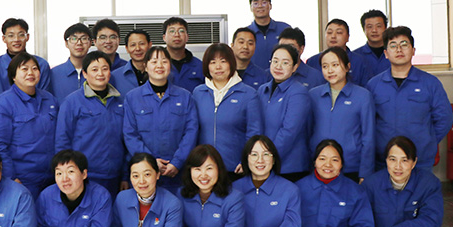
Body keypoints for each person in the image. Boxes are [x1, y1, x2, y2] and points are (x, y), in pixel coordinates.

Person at [366, 26, 452, 171]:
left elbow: (444, 119)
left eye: (404, 45)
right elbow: (368, 122)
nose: (399, 50)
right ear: (386, 53)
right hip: (384, 161)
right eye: (393, 46)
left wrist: (427, 141)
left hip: (420, 160)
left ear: (413, 50)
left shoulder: (430, 83)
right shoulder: (374, 85)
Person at [123, 46, 198, 192]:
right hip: (144, 173)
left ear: (170, 65)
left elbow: (191, 132)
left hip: (178, 172)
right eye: (154, 61)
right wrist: (151, 162)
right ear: (145, 66)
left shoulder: (185, 96)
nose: (159, 66)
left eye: (164, 61)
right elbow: (130, 134)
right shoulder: (133, 98)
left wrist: (177, 162)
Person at [0, 52, 59, 198]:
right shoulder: (3, 104)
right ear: (13, 75)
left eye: (34, 68)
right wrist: (11, 177)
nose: (30, 73)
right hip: (23, 179)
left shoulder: (50, 100)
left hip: (52, 176)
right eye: (24, 69)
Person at [55, 51, 127, 196]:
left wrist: (125, 175)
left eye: (105, 69)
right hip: (85, 176)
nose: (100, 73)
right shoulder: (72, 102)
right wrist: (67, 175)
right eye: (94, 69)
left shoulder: (120, 102)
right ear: (85, 74)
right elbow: (62, 141)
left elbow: (126, 141)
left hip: (115, 176)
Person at [191, 43, 262, 175]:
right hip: (204, 168)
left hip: (235, 167)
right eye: (213, 62)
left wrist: (246, 160)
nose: (218, 66)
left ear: (231, 63)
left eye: (223, 61)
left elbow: (254, 132)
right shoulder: (198, 93)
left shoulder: (248, 94)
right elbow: (192, 129)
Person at [309, 47, 376, 182]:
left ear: (347, 67)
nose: (330, 70)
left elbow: (368, 137)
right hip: (320, 166)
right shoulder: (313, 95)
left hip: (351, 166)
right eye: (325, 66)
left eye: (335, 65)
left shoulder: (363, 96)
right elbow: (307, 131)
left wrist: (365, 172)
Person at [258, 44, 312, 181]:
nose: (278, 66)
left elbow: (289, 131)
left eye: (285, 63)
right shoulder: (262, 90)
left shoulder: (298, 92)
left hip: (289, 166)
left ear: (295, 67)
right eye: (275, 61)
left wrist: (268, 157)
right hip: (263, 162)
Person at [0, 18, 52, 96]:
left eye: (21, 35)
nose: (16, 39)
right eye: (11, 36)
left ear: (27, 37)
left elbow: (44, 96)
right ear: (4, 39)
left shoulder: (41, 64)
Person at [306, 19, 374, 87]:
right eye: (329, 32)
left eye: (339, 33)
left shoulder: (361, 61)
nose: (333, 36)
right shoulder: (312, 61)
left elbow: (367, 87)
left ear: (347, 37)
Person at [246, 0, 291, 68]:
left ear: (270, 6)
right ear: (251, 8)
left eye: (264, 2)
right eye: (256, 3)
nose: (260, 6)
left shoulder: (284, 29)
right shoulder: (246, 33)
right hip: (254, 75)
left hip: (281, 73)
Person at [51, 23, 93, 103]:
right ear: (66, 43)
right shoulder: (54, 73)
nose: (79, 43)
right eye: (73, 39)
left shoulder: (97, 73)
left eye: (84, 38)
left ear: (90, 43)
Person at [163, 17, 203, 93]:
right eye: (172, 31)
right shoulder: (156, 66)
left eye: (181, 31)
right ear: (164, 37)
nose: (176, 35)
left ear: (187, 37)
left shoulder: (200, 66)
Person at [111, 29, 151, 96]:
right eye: (133, 45)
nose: (138, 48)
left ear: (149, 45)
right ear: (127, 48)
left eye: (142, 44)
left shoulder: (160, 73)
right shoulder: (115, 76)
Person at [354, 9, 390, 76]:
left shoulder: (395, 53)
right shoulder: (355, 56)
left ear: (385, 28)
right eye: (370, 27)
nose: (374, 30)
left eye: (378, 26)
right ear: (364, 29)